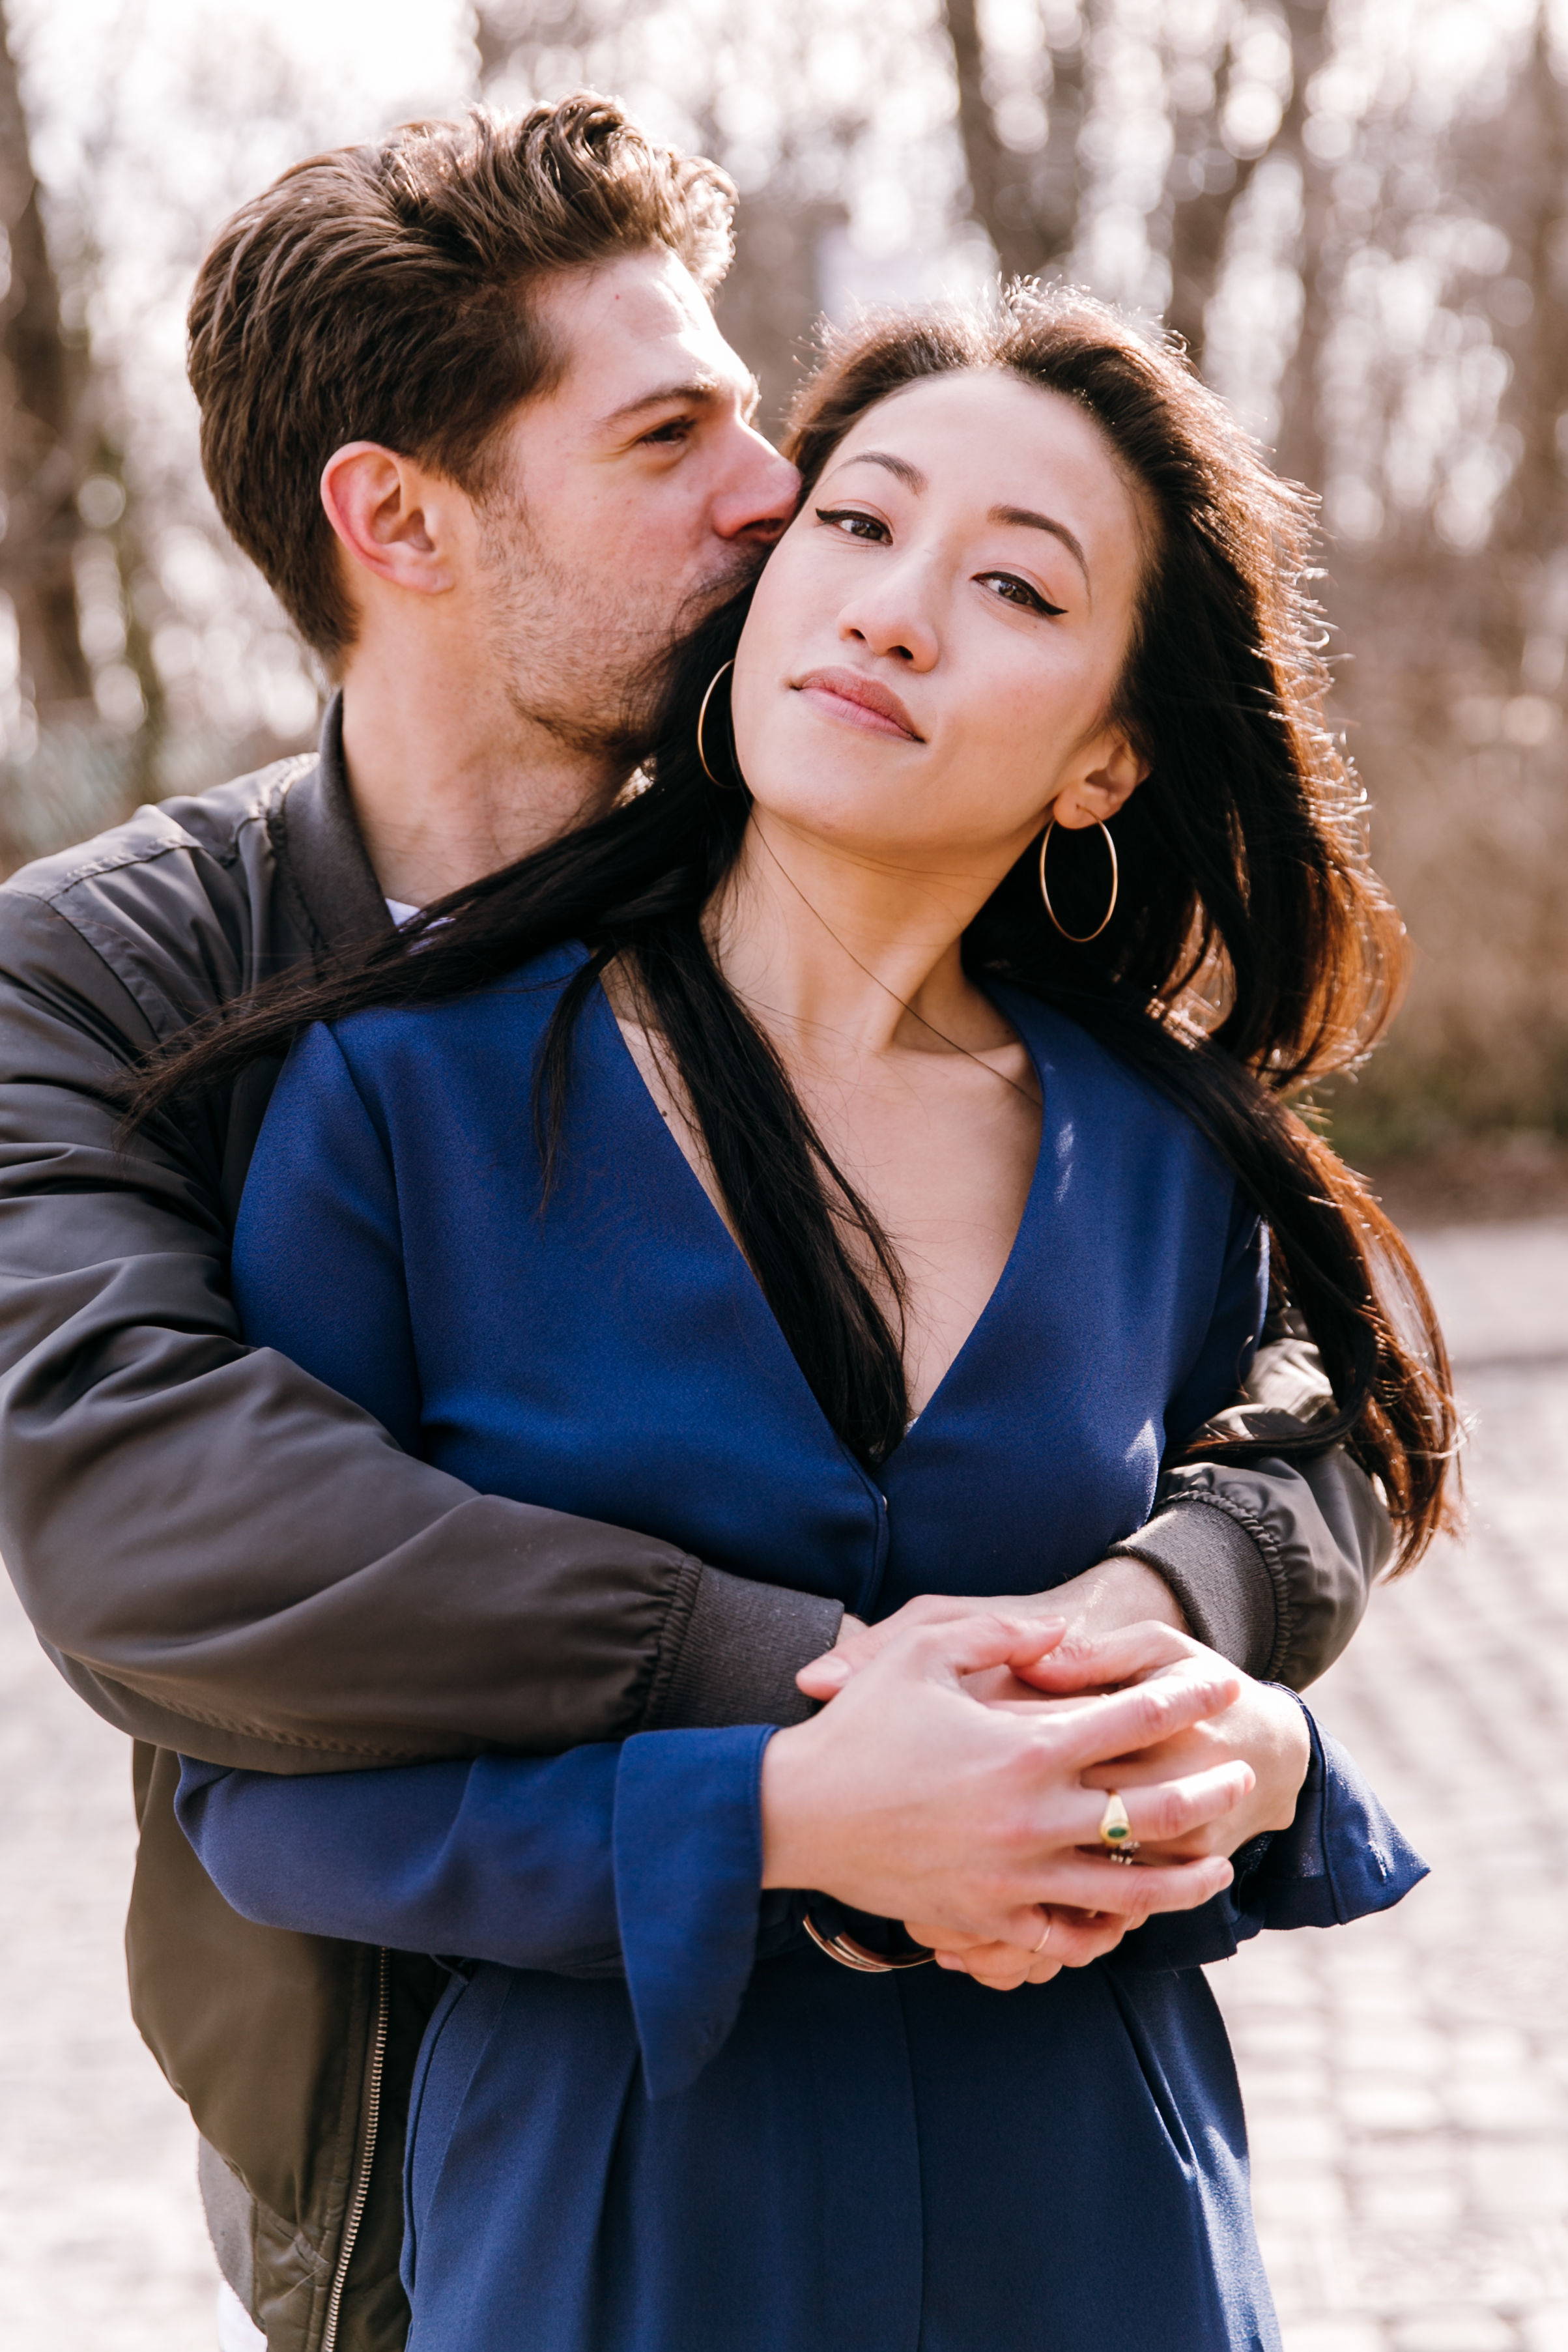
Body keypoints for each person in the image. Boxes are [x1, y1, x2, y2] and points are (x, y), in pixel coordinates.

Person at [0, 104, 1393, 2351]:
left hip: (1087, 2202)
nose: (777, 504)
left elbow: (1304, 1393)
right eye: (679, 434)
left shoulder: (1099, 1084)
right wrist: (824, 1749)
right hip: (499, 2166)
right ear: (401, 521)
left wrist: (1210, 1671)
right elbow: (157, 1528)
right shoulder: (180, 1008)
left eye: (777, 430)